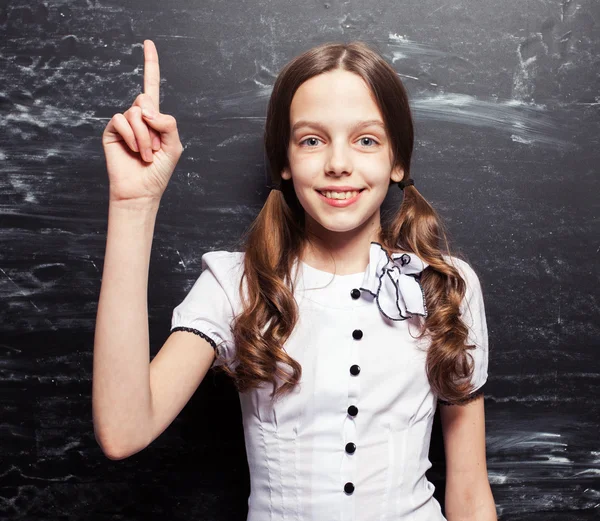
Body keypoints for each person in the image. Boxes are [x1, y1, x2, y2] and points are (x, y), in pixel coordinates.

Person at [93, 39, 497, 521]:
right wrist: (133, 206)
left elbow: (470, 490)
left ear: (397, 161)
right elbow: (122, 430)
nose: (338, 163)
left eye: (366, 139)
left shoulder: (448, 287)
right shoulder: (235, 283)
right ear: (284, 160)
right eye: (312, 139)